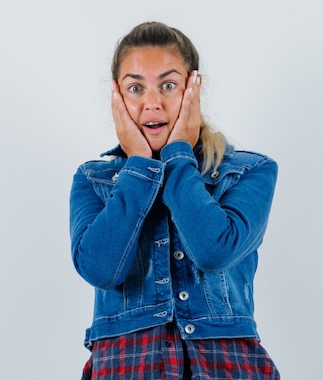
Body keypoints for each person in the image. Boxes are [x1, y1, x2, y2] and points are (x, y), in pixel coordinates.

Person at [69, 21, 280, 380]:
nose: (152, 102)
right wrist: (139, 166)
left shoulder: (250, 172)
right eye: (135, 88)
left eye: (168, 85)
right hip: (125, 367)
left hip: (227, 368)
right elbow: (100, 270)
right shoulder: (93, 179)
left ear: (193, 90)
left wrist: (177, 155)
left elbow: (213, 251)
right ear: (117, 97)